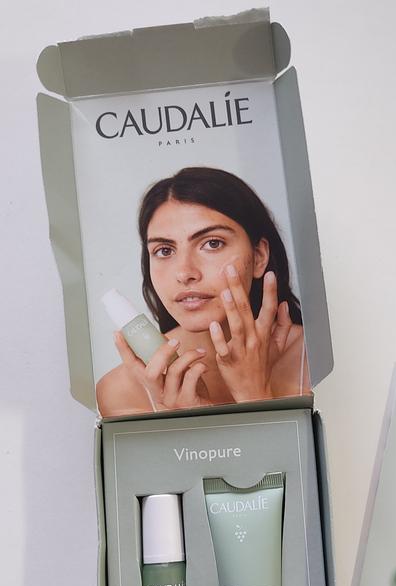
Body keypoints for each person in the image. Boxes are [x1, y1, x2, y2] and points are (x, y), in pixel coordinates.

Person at [96, 167, 310, 416]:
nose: (185, 272)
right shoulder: (120, 392)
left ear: (259, 257)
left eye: (212, 244)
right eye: (164, 250)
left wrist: (254, 395)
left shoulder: (317, 362)